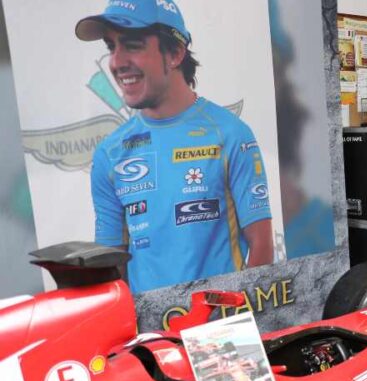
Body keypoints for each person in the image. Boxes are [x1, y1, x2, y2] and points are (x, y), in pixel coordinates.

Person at [78, 0, 274, 294]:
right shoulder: (110, 153)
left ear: (174, 53)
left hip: (222, 332)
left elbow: (262, 246)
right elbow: (110, 266)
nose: (116, 62)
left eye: (132, 45)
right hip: (151, 335)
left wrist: (242, 318)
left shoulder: (230, 134)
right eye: (111, 47)